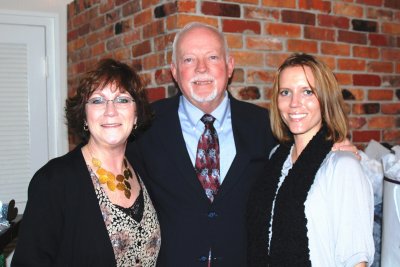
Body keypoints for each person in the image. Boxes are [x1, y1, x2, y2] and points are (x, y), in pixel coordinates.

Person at [127, 23, 358, 267]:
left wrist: (331, 146)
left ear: (229, 66)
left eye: (213, 57)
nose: (201, 68)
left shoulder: (267, 125)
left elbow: (304, 151)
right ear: (174, 70)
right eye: (188, 60)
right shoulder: (144, 126)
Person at [12, 59, 161, 266]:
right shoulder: (53, 181)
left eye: (122, 100)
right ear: (84, 114)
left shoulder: (143, 169)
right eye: (98, 100)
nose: (111, 111)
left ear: (136, 115)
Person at [246, 53, 374, 266]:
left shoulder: (343, 166)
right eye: (285, 92)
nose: (294, 103)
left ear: (325, 99)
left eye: (307, 92)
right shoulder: (277, 158)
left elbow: (355, 259)